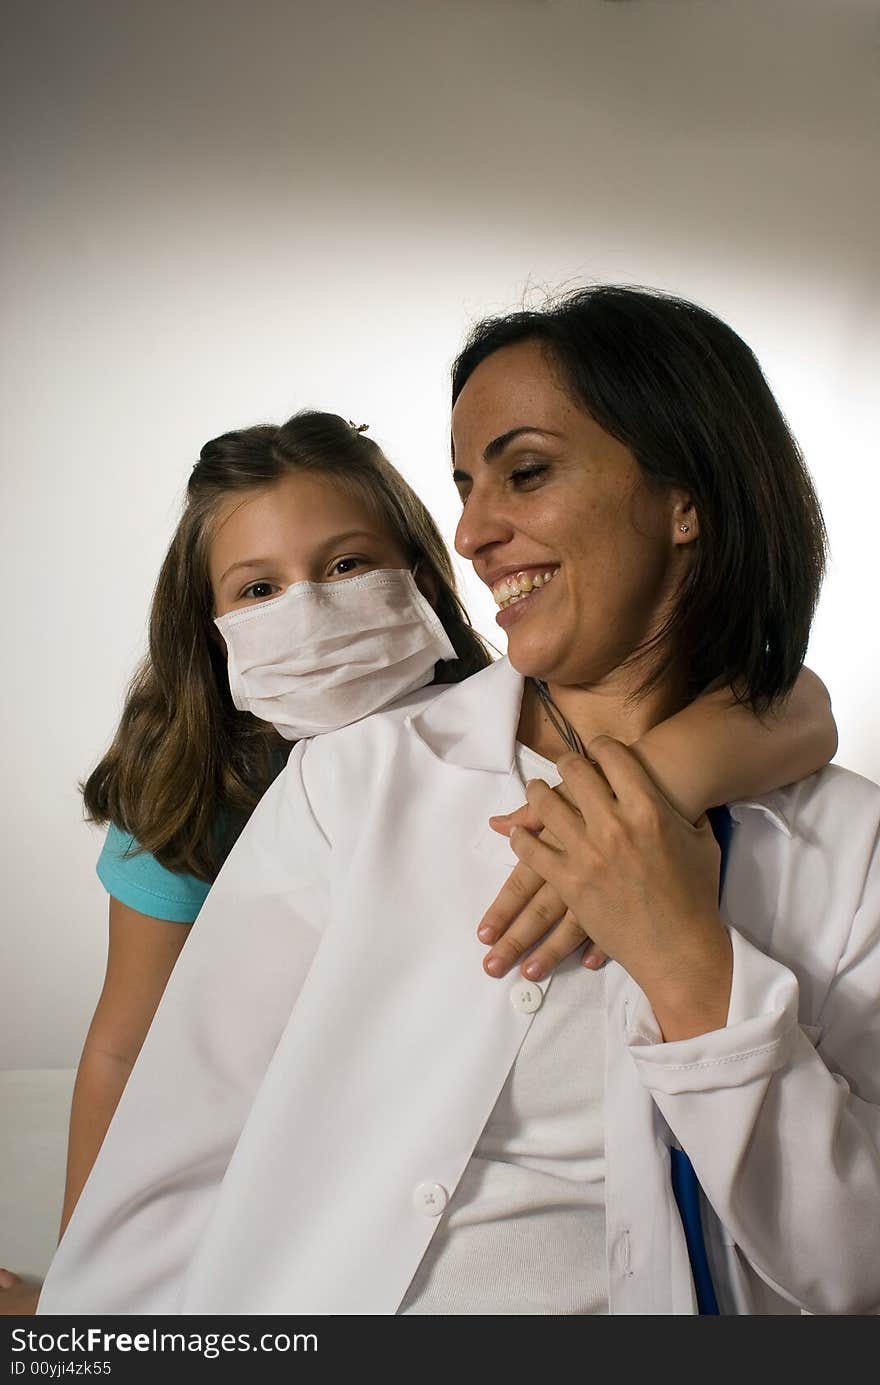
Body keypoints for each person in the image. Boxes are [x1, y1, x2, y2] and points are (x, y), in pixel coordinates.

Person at [34, 283, 875, 1312]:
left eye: (525, 472)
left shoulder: (849, 847)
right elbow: (177, 1148)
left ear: (684, 495)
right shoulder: (352, 779)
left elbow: (854, 1266)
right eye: (466, 486)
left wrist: (685, 958)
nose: (474, 529)